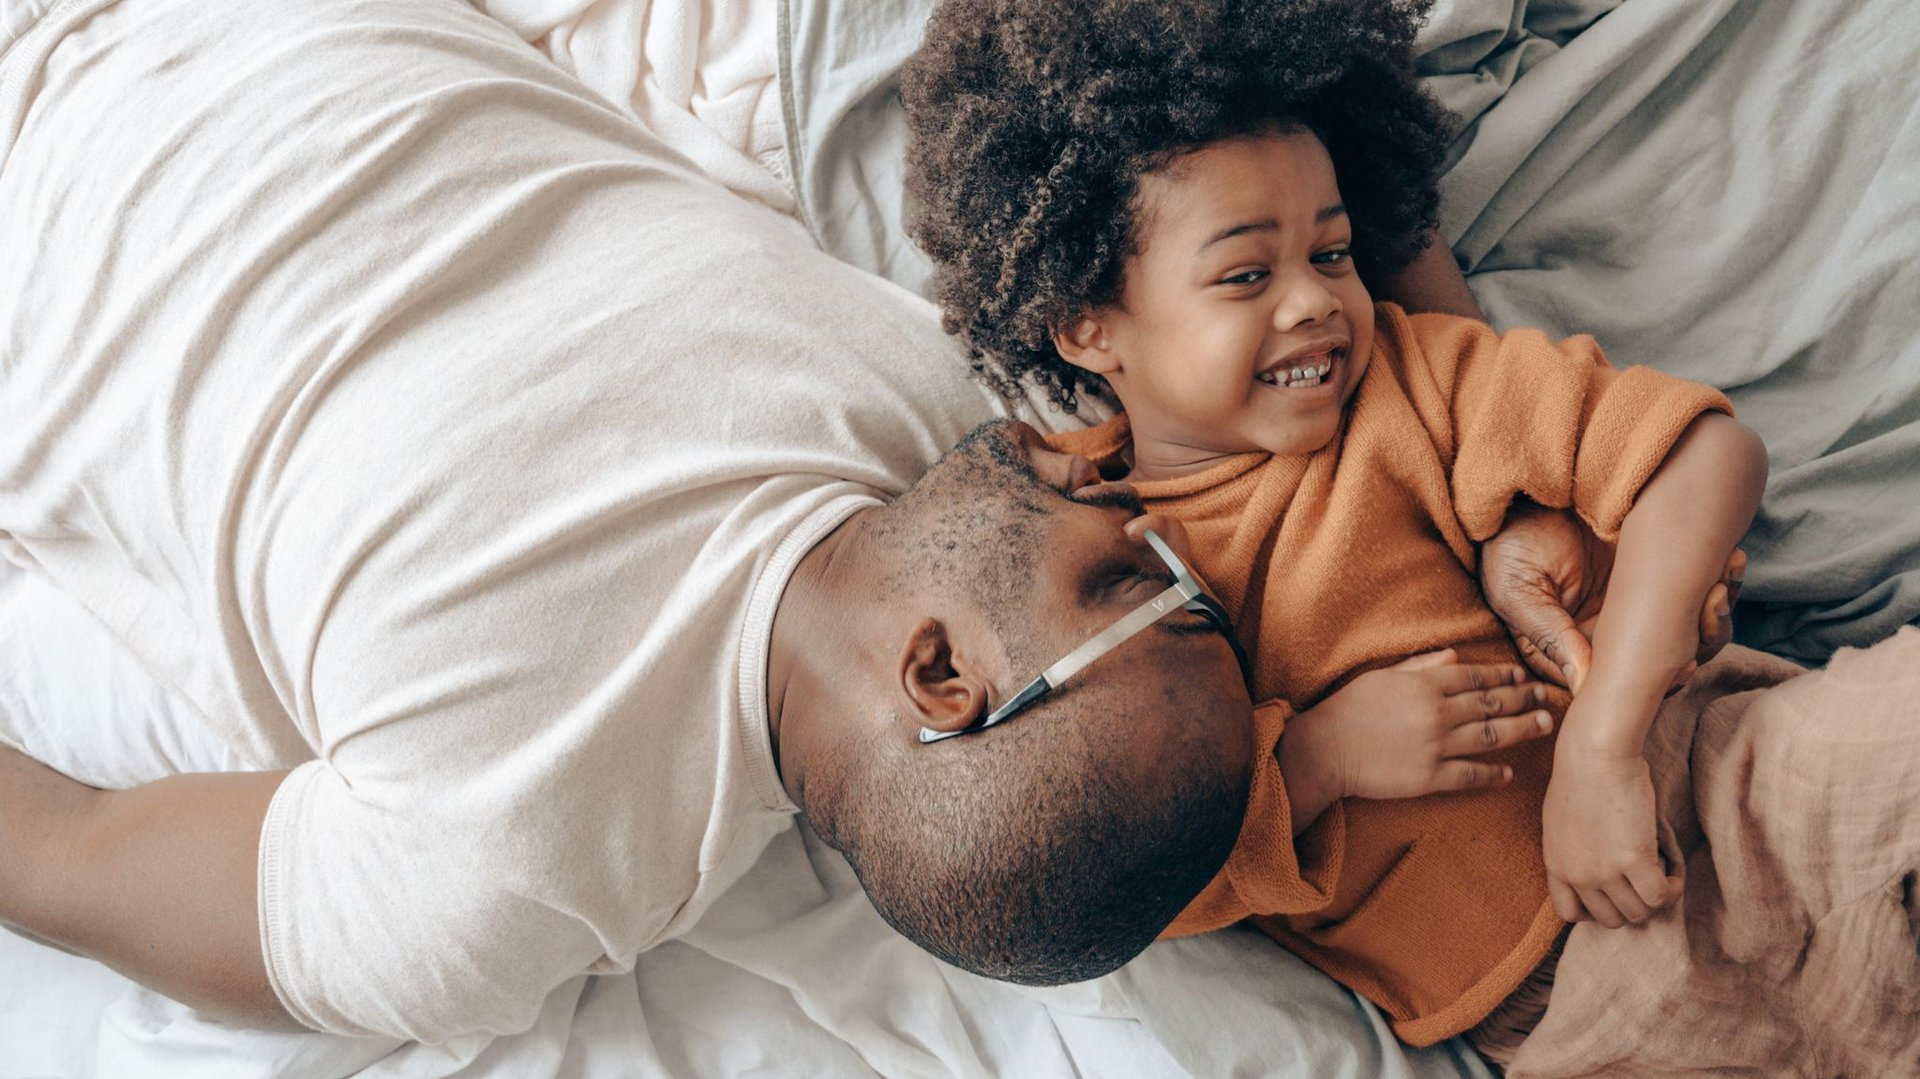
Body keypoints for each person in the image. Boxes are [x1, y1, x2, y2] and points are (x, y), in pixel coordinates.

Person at [0, 0, 1634, 1046]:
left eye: (1121, 569)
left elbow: (62, 850)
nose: (1107, 483)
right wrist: (1505, 496)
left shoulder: (496, 863)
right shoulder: (943, 423)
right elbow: (1263, 182)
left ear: (940, 677)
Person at [900, 0, 1920, 1068]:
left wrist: (1603, 744)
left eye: (1335, 253)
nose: (1314, 303)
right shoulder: (1089, 552)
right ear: (1088, 324)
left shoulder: (1411, 383)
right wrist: (1317, 756)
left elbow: (1705, 455)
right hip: (1571, 1015)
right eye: (1247, 274)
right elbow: (1102, 871)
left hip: (1727, 792)